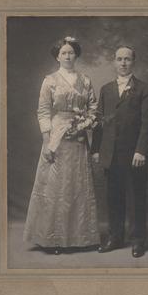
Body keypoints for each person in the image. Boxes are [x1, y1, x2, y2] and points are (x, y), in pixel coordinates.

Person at [23, 37, 100, 254]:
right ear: (57, 56)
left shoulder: (85, 80)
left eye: (71, 53)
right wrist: (48, 140)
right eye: (63, 53)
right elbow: (44, 111)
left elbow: (93, 108)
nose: (67, 56)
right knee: (56, 187)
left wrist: (85, 123)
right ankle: (54, 239)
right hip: (57, 137)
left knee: (77, 185)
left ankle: (80, 238)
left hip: (78, 139)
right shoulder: (50, 81)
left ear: (76, 55)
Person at [91, 45, 148, 258]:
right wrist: (96, 149)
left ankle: (138, 240)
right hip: (110, 153)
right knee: (113, 197)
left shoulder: (145, 89)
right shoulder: (106, 89)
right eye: (119, 59)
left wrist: (141, 151)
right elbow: (99, 123)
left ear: (133, 62)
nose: (123, 63)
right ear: (114, 62)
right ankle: (115, 237)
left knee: (136, 197)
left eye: (127, 59)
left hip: (134, 154)